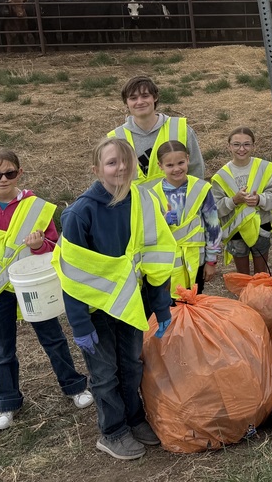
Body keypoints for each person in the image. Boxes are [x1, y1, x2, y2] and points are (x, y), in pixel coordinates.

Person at [0, 148, 92, 431]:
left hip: (31, 284)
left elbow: (54, 248)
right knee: (3, 349)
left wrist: (40, 245)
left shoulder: (37, 207)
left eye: (10, 173)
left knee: (52, 338)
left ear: (20, 173)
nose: (3, 179)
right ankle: (6, 402)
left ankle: (74, 386)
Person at [54, 138, 176, 461]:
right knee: (105, 373)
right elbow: (72, 275)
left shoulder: (143, 201)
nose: (121, 168)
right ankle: (113, 431)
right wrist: (79, 323)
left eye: (126, 161)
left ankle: (134, 418)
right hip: (95, 313)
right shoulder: (81, 213)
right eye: (111, 163)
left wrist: (161, 305)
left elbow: (155, 256)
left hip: (130, 304)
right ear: (96, 170)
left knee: (132, 365)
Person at [146, 140, 221, 296]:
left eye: (180, 162)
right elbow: (146, 232)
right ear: (160, 166)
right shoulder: (152, 194)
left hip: (196, 260)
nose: (176, 169)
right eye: (170, 165)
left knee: (194, 305)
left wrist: (211, 260)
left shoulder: (201, 189)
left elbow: (213, 226)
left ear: (188, 159)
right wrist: (162, 222)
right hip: (167, 264)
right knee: (170, 308)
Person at [210, 127, 272, 275]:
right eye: (236, 144)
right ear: (228, 146)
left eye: (247, 144)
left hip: (261, 227)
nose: (241, 149)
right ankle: (244, 294)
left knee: (261, 274)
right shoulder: (221, 176)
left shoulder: (264, 168)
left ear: (253, 146)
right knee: (242, 276)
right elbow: (215, 208)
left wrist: (259, 199)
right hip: (235, 230)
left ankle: (260, 295)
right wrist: (233, 201)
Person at [108, 75, 205, 185]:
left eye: (145, 96)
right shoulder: (115, 138)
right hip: (134, 202)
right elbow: (110, 181)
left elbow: (197, 170)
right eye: (133, 98)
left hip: (177, 201)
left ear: (155, 97)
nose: (139, 102)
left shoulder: (181, 128)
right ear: (126, 103)